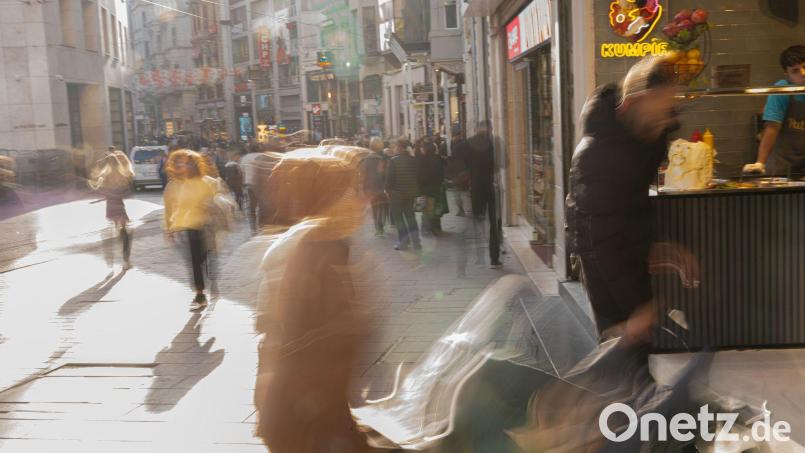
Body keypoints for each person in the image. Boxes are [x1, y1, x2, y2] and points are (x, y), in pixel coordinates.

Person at [566, 56, 699, 342]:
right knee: (621, 345)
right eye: (660, 108)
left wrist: (661, 243)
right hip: (602, 259)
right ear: (632, 103)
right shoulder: (597, 153)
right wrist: (636, 310)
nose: (665, 120)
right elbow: (599, 237)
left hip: (627, 247)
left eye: (670, 109)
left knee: (642, 342)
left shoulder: (647, 137)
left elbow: (636, 202)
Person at [254, 146, 374, 453]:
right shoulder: (304, 251)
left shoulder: (327, 245)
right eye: (352, 189)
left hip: (318, 415)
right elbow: (286, 339)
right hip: (306, 421)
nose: (361, 200)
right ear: (328, 198)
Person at [163, 149, 218, 310]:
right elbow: (180, 206)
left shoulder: (206, 182)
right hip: (191, 227)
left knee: (206, 257)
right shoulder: (184, 185)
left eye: (190, 164)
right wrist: (171, 228)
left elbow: (215, 203)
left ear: (197, 166)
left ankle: (209, 279)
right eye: (186, 164)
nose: (187, 167)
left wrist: (206, 206)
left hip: (206, 225)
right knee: (195, 261)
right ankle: (200, 294)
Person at [743, 45, 805, 175]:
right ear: (787, 74)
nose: (803, 74)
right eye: (795, 71)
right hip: (781, 167)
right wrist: (760, 163)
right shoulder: (782, 90)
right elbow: (772, 127)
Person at [465, 120, 502, 268]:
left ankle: (479, 256)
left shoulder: (468, 143)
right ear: (489, 128)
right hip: (489, 185)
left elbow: (464, 164)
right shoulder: (493, 142)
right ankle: (494, 258)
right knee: (493, 221)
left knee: (477, 219)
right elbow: (499, 164)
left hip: (475, 185)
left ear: (477, 129)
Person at [90, 151, 134, 269]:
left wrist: (95, 185)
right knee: (124, 233)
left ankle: (110, 258)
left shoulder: (104, 177)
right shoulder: (122, 176)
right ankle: (126, 261)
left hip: (110, 208)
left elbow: (98, 190)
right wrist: (119, 193)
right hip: (120, 207)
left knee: (113, 231)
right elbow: (127, 192)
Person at [385, 138, 421, 251]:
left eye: (396, 146)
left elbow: (389, 178)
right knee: (411, 217)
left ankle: (404, 242)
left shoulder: (394, 160)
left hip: (396, 195)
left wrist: (388, 190)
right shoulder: (413, 160)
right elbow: (418, 177)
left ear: (400, 147)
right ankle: (417, 243)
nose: (394, 148)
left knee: (399, 219)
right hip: (410, 194)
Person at [417, 140, 446, 235]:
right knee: (437, 208)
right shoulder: (438, 158)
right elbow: (442, 173)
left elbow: (421, 176)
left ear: (425, 148)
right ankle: (437, 227)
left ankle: (426, 229)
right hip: (437, 187)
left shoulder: (422, 159)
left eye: (422, 147)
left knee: (427, 209)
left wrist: (420, 188)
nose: (421, 149)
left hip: (427, 188)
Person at [362, 137, 389, 236]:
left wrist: (363, 188)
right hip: (381, 187)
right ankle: (381, 226)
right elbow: (385, 174)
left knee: (374, 208)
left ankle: (377, 228)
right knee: (381, 207)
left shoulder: (366, 160)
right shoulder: (382, 160)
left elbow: (363, 175)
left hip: (370, 188)